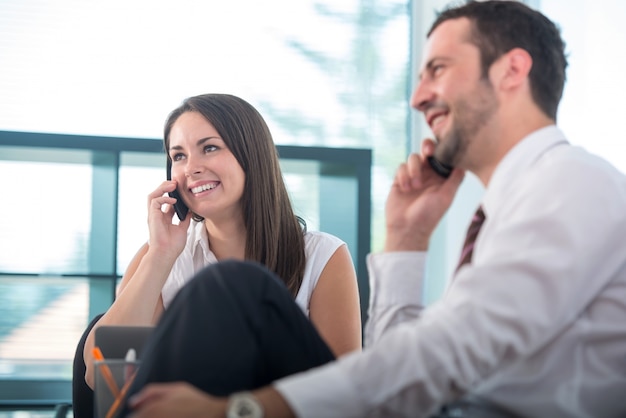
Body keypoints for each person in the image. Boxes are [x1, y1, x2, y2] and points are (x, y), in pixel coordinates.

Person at [121, 1, 626, 417]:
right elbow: (407, 380)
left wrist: (243, 409)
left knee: (234, 288)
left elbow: (451, 351)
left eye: (439, 70)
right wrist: (407, 241)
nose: (417, 96)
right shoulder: (510, 208)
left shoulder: (571, 181)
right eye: (180, 155)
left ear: (512, 70)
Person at [81, 94, 362, 390]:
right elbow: (101, 376)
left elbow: (342, 395)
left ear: (251, 154)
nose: (191, 168)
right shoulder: (159, 256)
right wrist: (160, 256)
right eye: (179, 156)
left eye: (209, 148)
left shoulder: (323, 257)